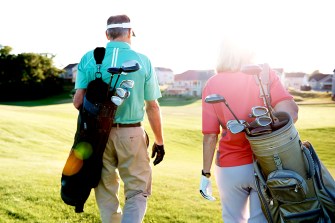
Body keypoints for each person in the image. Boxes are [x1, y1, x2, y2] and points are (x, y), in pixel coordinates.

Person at [73, 14, 165, 223]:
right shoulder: (143, 60)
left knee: (106, 191)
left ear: (107, 34)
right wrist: (159, 141)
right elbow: (153, 106)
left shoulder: (89, 58)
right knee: (137, 191)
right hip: (131, 134)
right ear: (130, 33)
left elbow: (78, 102)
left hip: (97, 136)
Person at [200, 37, 299, 223]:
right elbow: (291, 114)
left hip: (230, 166)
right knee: (260, 220)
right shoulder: (264, 74)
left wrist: (205, 174)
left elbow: (210, 135)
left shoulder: (212, 83)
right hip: (265, 162)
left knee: (232, 219)